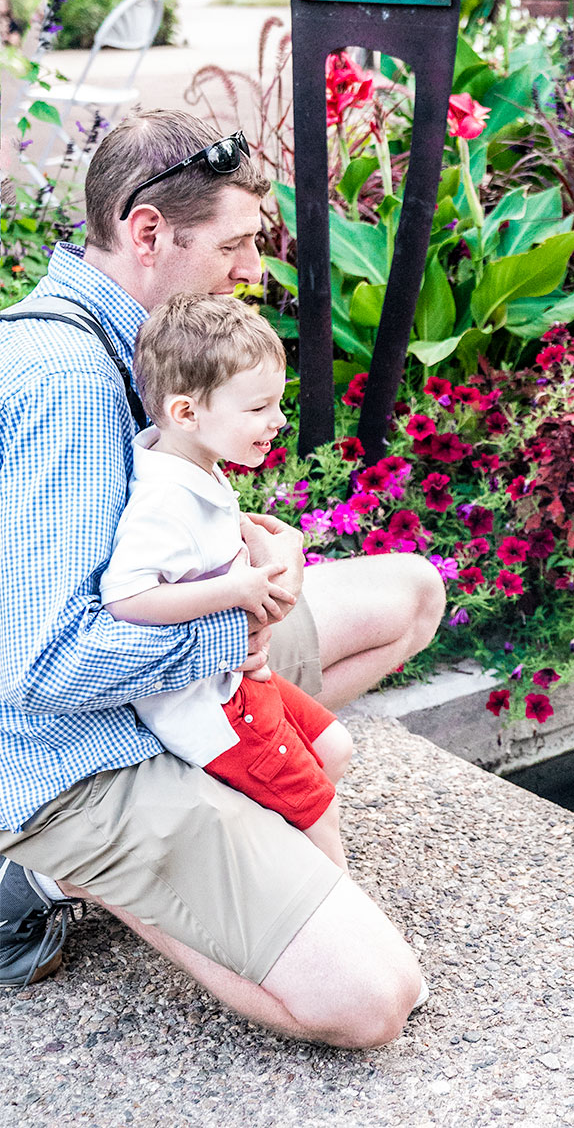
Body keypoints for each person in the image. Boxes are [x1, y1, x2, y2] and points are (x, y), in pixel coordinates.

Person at [0, 110, 445, 1045]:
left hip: (162, 674)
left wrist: (262, 540)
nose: (253, 272)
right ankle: (54, 866)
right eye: (237, 245)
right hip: (66, 749)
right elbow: (39, 671)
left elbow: (136, 516)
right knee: (373, 1001)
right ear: (149, 231)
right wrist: (234, 626)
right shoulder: (68, 381)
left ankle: (209, 787)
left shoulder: (117, 335)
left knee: (412, 594)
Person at [100, 294, 353, 873]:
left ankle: (274, 860)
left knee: (333, 749)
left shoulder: (191, 465)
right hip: (211, 706)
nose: (280, 421)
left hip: (237, 680)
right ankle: (339, 913)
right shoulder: (163, 502)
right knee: (319, 812)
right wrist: (236, 591)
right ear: (187, 413)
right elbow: (126, 598)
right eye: (260, 407)